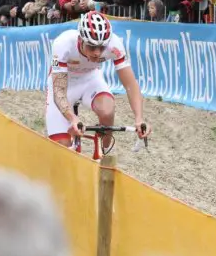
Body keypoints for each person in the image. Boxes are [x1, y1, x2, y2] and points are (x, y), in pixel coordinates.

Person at [46, 10, 151, 153]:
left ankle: (105, 152)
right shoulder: (63, 44)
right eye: (91, 46)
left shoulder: (114, 44)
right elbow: (58, 91)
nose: (97, 52)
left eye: (101, 47)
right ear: (80, 40)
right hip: (65, 85)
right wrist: (72, 118)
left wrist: (139, 118)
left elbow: (131, 85)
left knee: (107, 111)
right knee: (62, 147)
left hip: (91, 79)